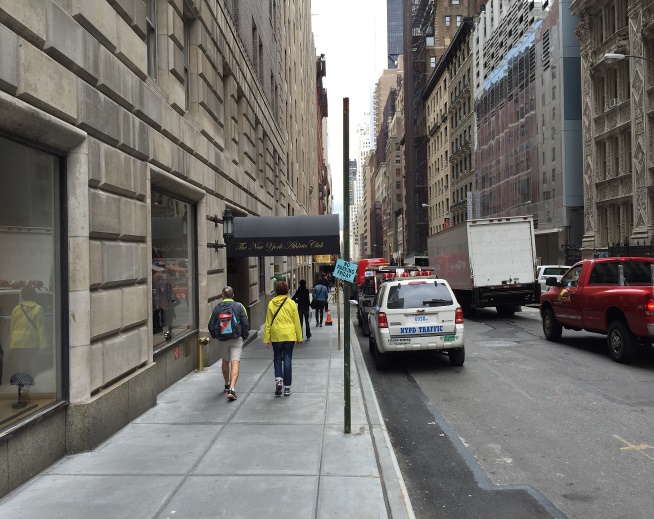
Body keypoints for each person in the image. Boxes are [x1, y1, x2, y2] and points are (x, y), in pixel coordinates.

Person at [208, 286, 250, 401]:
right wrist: (244, 336)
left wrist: (216, 336)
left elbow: (211, 324)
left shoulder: (217, 308)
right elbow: (245, 322)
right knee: (235, 362)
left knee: (225, 361)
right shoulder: (239, 306)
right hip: (236, 338)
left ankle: (226, 384)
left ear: (222, 296)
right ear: (233, 295)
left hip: (223, 339)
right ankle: (232, 388)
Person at [264, 281, 302, 397]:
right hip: (290, 335)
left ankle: (279, 379)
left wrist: (267, 338)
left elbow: (268, 322)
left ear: (276, 291)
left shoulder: (271, 303)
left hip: (277, 335)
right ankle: (287, 388)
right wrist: (299, 337)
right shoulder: (291, 303)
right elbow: (296, 321)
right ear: (287, 290)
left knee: (277, 357)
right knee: (288, 358)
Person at [9, 285, 47, 379]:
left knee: (21, 364)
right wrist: (43, 345)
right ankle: (27, 383)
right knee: (33, 365)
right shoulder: (38, 309)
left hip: (17, 342)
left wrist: (11, 344)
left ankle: (23, 383)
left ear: (22, 296)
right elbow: (41, 328)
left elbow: (12, 327)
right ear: (34, 295)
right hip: (31, 342)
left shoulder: (16, 309)